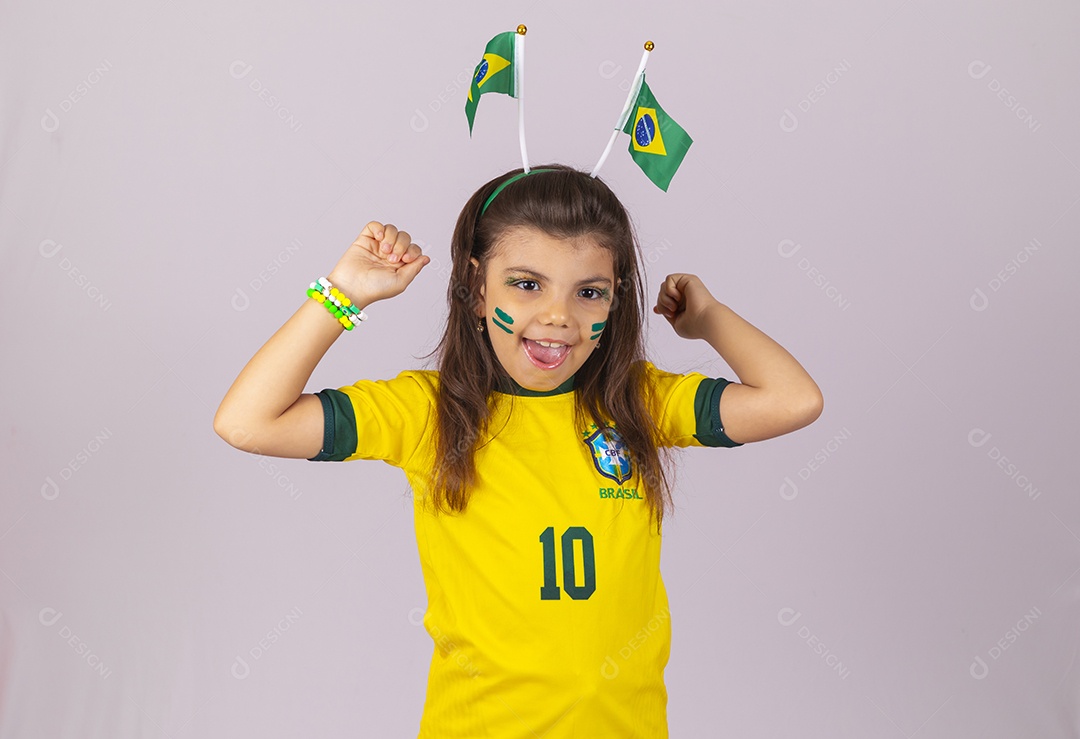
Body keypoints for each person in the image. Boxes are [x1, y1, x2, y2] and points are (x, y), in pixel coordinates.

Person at [213, 162, 823, 738]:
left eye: (590, 293)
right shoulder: (428, 412)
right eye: (526, 284)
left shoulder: (638, 402)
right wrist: (342, 294)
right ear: (477, 289)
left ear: (617, 299)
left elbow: (794, 400)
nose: (557, 316)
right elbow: (247, 422)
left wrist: (710, 318)